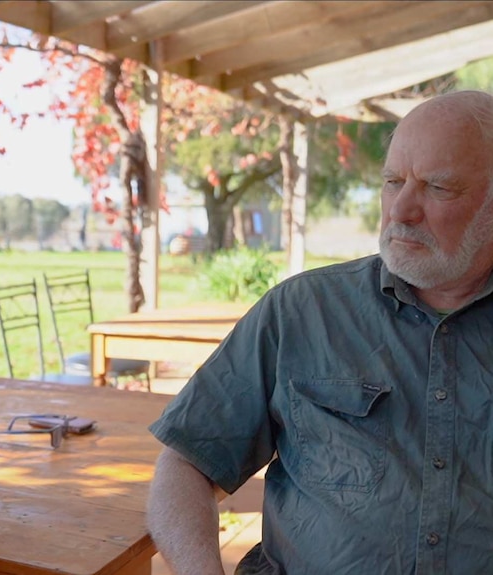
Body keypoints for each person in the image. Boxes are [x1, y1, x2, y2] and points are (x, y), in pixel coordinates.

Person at [146, 89, 493, 574]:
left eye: (438, 188)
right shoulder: (301, 312)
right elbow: (185, 462)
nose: (402, 210)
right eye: (393, 182)